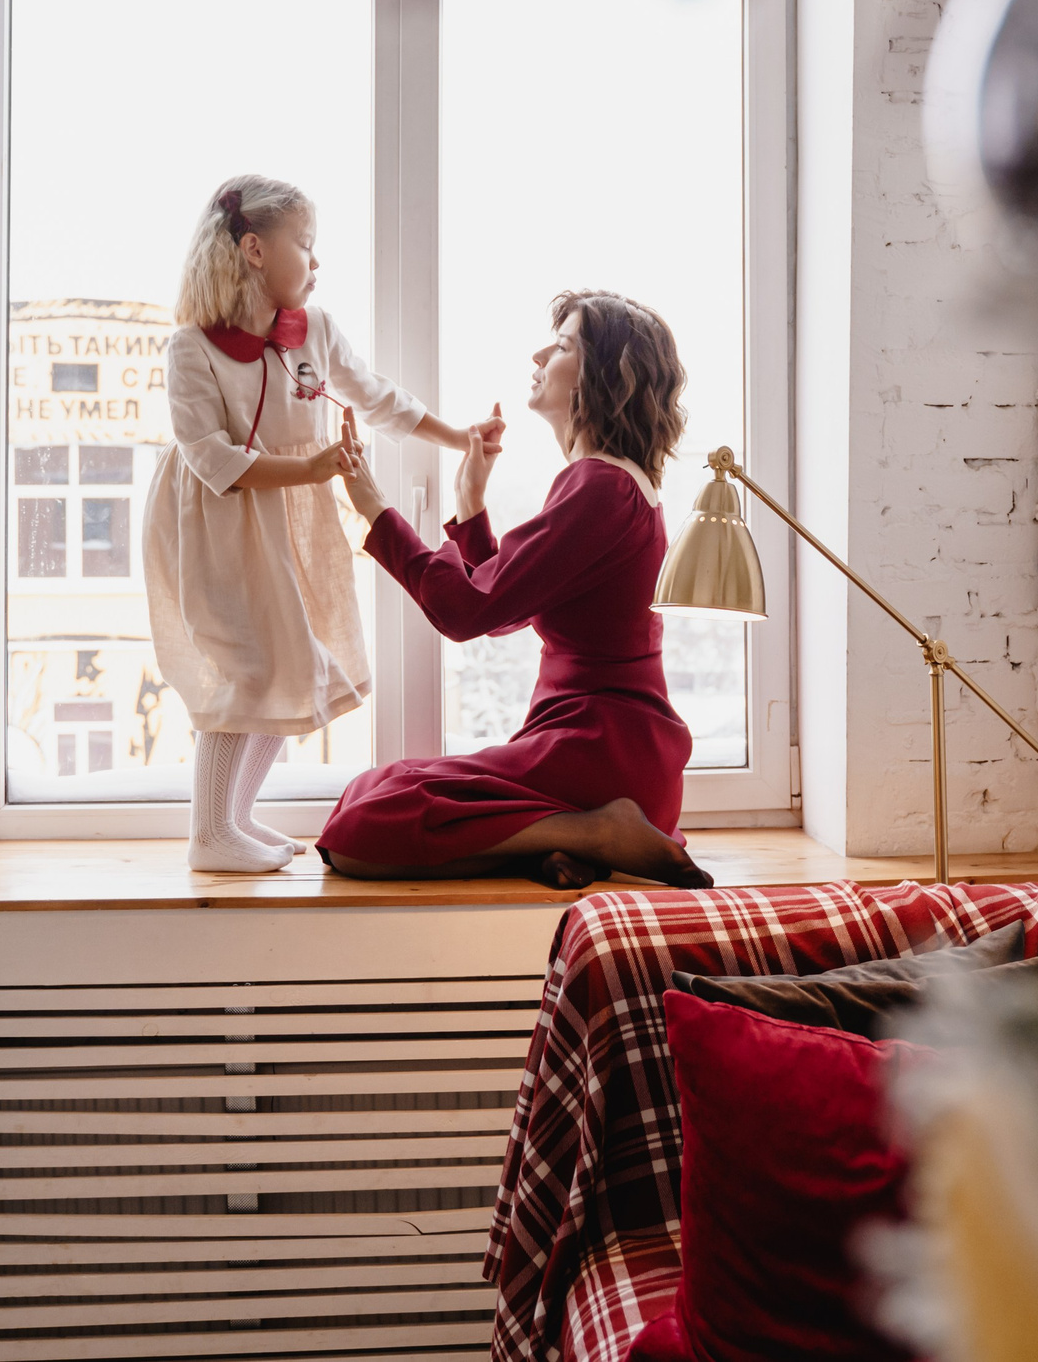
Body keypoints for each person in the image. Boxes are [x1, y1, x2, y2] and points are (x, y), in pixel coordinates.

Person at [144, 175, 501, 872]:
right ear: (253, 249)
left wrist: (459, 438)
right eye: (304, 245)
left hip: (285, 522)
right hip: (216, 522)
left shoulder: (316, 333)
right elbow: (212, 458)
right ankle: (208, 831)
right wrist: (312, 468)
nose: (316, 262)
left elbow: (376, 397)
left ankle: (232, 819)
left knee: (294, 663)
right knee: (239, 667)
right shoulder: (191, 349)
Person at [321, 291, 711, 890]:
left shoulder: (601, 487)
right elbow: (502, 608)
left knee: (359, 827)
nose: (538, 353)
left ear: (603, 377)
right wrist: (471, 504)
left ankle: (593, 832)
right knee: (368, 788)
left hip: (602, 749)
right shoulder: (611, 483)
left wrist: (372, 506)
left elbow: (464, 609)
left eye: (561, 346)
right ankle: (568, 839)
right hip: (609, 750)